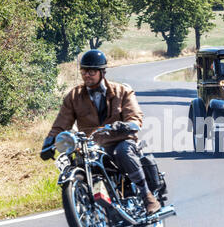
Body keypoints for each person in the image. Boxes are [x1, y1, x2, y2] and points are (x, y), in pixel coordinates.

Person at [40, 49, 161, 215]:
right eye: (84, 71)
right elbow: (61, 123)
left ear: (102, 72)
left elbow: (134, 116)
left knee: (123, 151)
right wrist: (49, 142)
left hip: (120, 140)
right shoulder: (73, 97)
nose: (86, 75)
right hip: (92, 146)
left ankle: (147, 196)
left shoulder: (122, 91)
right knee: (77, 163)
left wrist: (127, 125)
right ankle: (91, 205)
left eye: (91, 71)